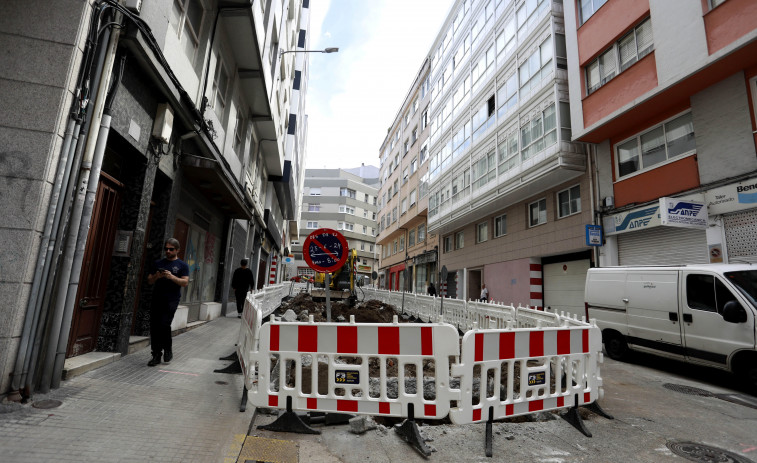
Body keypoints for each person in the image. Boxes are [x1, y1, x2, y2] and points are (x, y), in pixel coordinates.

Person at [146, 238, 189, 367]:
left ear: (177, 250)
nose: (168, 251)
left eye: (171, 249)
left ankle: (168, 349)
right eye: (166, 249)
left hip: (172, 299)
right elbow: (149, 280)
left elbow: (185, 282)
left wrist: (172, 277)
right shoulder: (158, 263)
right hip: (157, 298)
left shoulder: (182, 265)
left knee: (164, 325)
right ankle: (156, 354)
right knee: (155, 326)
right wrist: (157, 276)